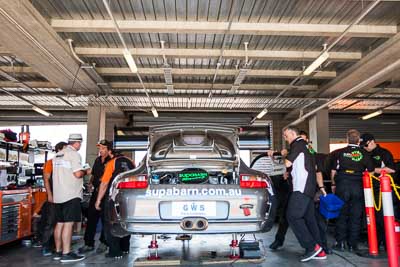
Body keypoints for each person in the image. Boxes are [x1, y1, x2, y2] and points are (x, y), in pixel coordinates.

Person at [283, 126, 324, 262]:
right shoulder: (308, 146)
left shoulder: (297, 144)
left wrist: (284, 155)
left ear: (293, 133)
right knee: (309, 219)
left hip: (301, 187)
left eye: (286, 135)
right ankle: (320, 251)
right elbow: (315, 166)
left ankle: (311, 247)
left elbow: (288, 162)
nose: (285, 138)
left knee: (292, 216)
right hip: (310, 187)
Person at [330, 129, 374, 252]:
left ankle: (340, 243)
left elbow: (333, 171)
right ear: (359, 140)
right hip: (358, 185)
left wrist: (333, 184)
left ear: (347, 139)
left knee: (342, 214)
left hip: (342, 183)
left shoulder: (339, 152)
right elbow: (370, 171)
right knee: (356, 215)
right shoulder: (364, 153)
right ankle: (352, 244)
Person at [52, 133, 91, 263]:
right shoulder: (74, 154)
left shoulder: (57, 155)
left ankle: (58, 251)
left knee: (60, 223)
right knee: (69, 224)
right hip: (71, 194)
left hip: (58, 195)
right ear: (78, 143)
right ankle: (66, 253)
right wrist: (86, 171)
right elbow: (78, 174)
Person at [95, 149, 135, 259]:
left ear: (112, 154)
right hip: (129, 197)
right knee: (126, 221)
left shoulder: (112, 163)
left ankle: (115, 251)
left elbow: (104, 183)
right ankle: (125, 248)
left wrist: (98, 200)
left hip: (114, 197)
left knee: (110, 223)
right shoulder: (131, 162)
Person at [360, 133, 396, 250]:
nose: (364, 147)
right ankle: (374, 240)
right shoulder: (363, 153)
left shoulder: (384, 153)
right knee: (370, 217)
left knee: (382, 216)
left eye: (365, 144)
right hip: (366, 189)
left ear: (371, 141)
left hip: (381, 190)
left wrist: (372, 169)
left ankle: (386, 242)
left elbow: (391, 169)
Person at [78, 140, 112, 254]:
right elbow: (94, 174)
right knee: (91, 217)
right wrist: (91, 184)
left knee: (105, 218)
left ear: (108, 149)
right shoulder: (98, 160)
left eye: (103, 148)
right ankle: (88, 243)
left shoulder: (112, 161)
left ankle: (104, 242)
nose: (100, 151)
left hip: (107, 193)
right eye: (99, 148)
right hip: (96, 192)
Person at [36, 141, 67, 256]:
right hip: (53, 196)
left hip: (64, 196)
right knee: (50, 221)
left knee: (60, 221)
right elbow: (46, 179)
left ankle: (57, 246)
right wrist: (49, 194)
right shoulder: (51, 163)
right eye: (64, 149)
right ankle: (46, 246)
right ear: (59, 150)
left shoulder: (66, 163)